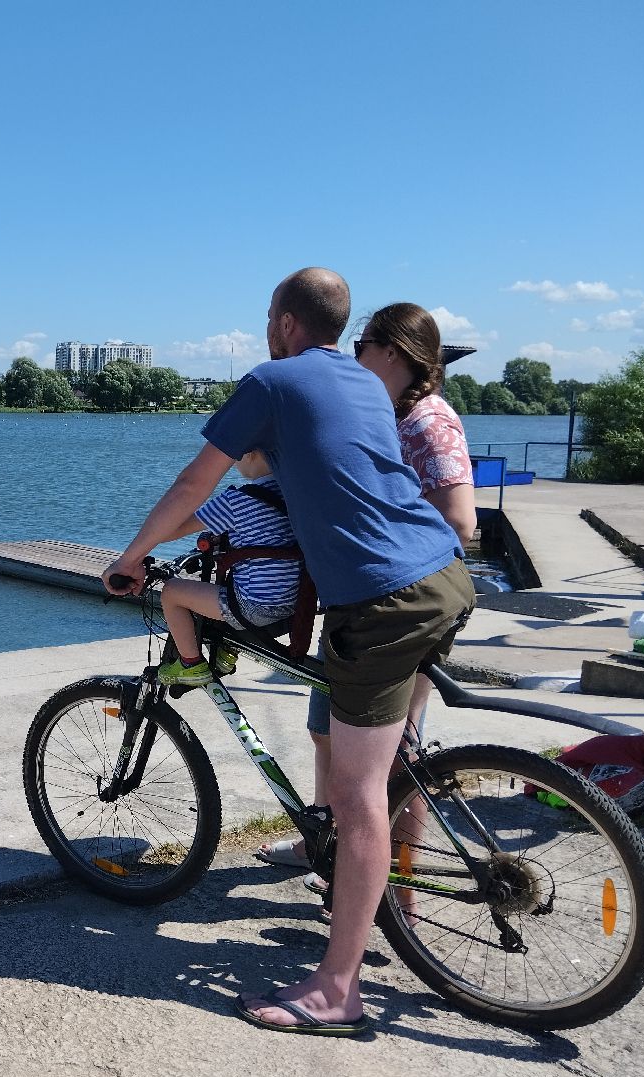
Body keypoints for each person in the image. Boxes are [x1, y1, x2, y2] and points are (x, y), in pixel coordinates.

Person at [102, 268, 475, 1037]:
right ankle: (388, 902)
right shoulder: (367, 386)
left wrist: (134, 555)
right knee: (372, 755)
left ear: (283, 323)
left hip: (383, 599)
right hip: (443, 574)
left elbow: (192, 486)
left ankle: (338, 991)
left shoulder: (270, 381)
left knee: (359, 791)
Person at [257, 303, 477, 907]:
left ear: (394, 352)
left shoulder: (430, 421)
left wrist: (381, 540)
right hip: (356, 600)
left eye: (363, 345)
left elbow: (460, 521)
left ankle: (398, 898)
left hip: (400, 601)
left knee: (397, 760)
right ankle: (321, 846)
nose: (353, 356)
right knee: (327, 733)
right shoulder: (374, 408)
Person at [156, 449, 299, 687]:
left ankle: (190, 664)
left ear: (251, 453)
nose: (233, 463)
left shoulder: (237, 501)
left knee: (172, 592)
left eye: (235, 455)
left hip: (255, 609)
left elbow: (167, 531)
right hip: (294, 606)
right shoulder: (294, 493)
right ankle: (226, 652)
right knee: (233, 582)